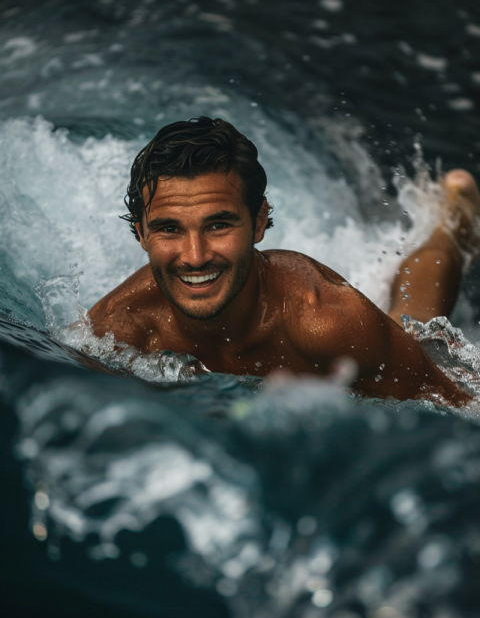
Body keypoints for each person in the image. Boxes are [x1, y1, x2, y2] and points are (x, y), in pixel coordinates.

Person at [89, 117, 480, 407]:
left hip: (347, 356)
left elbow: (457, 410)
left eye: (218, 225)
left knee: (415, 321)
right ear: (140, 234)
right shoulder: (115, 330)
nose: (195, 256)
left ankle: (454, 220)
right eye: (169, 229)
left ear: (259, 221)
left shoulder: (327, 321)